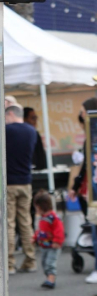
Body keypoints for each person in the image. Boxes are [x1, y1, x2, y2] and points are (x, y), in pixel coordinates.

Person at [5, 103, 38, 274]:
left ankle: (9, 264)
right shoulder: (31, 131)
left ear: (10, 114)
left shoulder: (6, 131)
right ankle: (30, 260)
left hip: (9, 182)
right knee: (26, 222)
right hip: (26, 182)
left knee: (9, 223)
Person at [68, 97, 97, 285]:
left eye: (83, 110)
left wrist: (76, 186)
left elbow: (87, 165)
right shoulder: (90, 134)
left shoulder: (92, 135)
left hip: (94, 191)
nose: (81, 114)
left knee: (95, 227)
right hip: (92, 189)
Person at [33, 191, 65, 290]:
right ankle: (49, 278)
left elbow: (59, 230)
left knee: (50, 263)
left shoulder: (53, 218)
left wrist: (57, 241)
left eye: (36, 207)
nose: (36, 210)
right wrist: (34, 237)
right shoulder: (43, 218)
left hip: (53, 246)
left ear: (41, 207)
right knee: (44, 262)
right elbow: (40, 230)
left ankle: (51, 280)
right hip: (44, 246)